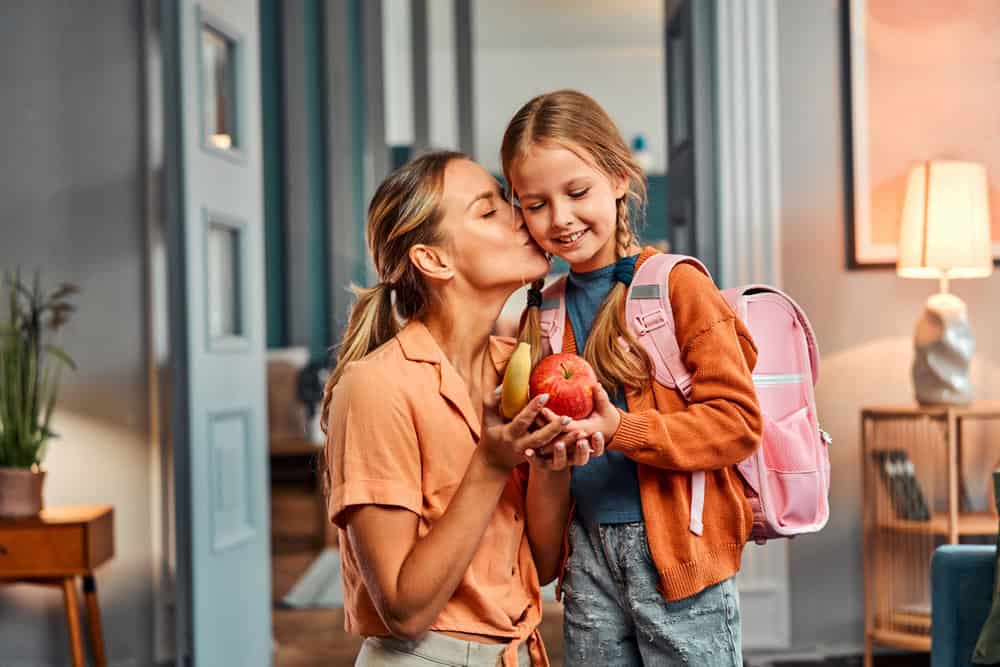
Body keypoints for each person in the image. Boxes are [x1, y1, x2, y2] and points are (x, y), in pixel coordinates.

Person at [502, 90, 763, 666]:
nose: (561, 219)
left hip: (680, 557)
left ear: (619, 179)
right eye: (535, 203)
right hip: (587, 556)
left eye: (576, 192)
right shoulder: (541, 310)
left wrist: (620, 427)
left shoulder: (676, 286)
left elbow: (739, 424)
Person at [320, 151, 604, 667]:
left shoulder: (518, 367)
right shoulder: (376, 388)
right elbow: (403, 610)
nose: (523, 214)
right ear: (435, 260)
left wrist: (551, 464)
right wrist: (491, 464)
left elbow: (536, 566)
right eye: (489, 209)